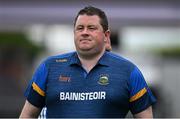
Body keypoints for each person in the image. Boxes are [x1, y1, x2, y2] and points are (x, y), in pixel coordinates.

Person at [20, 6, 156, 118]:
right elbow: (28, 115)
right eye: (80, 28)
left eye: (91, 28)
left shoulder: (128, 71)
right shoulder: (49, 67)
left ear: (106, 36)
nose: (84, 32)